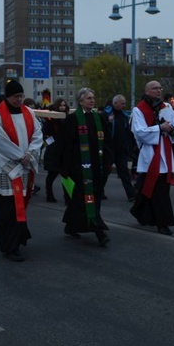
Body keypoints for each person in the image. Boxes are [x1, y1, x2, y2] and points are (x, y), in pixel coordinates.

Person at [0, 81, 42, 262]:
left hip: (24, 167)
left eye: (21, 96)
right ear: (8, 97)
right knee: (8, 209)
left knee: (20, 206)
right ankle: (8, 245)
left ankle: (17, 240)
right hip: (6, 168)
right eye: (15, 97)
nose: (19, 100)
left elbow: (37, 135)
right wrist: (21, 157)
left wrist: (30, 154)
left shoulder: (30, 113)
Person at [60, 88, 112, 246]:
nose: (92, 100)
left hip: (97, 167)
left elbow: (107, 141)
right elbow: (66, 144)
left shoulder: (99, 118)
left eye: (93, 97)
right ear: (81, 101)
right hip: (79, 168)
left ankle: (71, 226)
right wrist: (65, 167)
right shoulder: (73, 119)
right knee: (85, 200)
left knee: (86, 200)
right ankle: (99, 232)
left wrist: (109, 161)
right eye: (88, 98)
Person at [130, 81, 174, 235]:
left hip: (165, 153)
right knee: (157, 190)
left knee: (153, 189)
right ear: (147, 91)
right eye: (154, 88)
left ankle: (141, 212)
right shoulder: (139, 109)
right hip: (150, 155)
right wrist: (159, 128)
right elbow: (139, 132)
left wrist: (171, 129)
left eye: (160, 88)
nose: (158, 90)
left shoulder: (167, 107)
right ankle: (163, 223)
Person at [102, 94, 137, 201]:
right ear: (115, 103)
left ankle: (131, 194)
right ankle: (98, 191)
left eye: (124, 103)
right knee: (105, 172)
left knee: (124, 172)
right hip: (109, 149)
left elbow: (128, 132)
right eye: (122, 103)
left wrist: (131, 147)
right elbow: (101, 129)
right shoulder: (106, 114)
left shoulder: (125, 116)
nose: (124, 105)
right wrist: (108, 122)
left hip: (121, 150)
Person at [42, 98, 68, 203]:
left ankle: (67, 197)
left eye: (64, 105)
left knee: (66, 176)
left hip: (64, 152)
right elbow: (44, 134)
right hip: (54, 152)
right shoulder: (50, 119)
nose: (62, 107)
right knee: (52, 175)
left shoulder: (67, 118)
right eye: (61, 105)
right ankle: (49, 194)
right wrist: (51, 143)